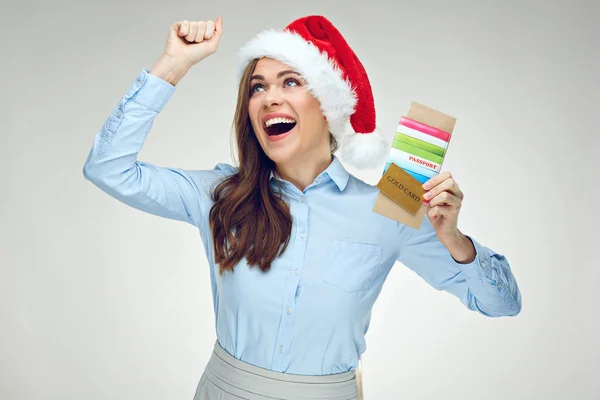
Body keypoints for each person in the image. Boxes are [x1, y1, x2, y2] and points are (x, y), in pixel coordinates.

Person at [82, 14, 522, 400]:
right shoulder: (220, 195)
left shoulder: (390, 208)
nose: (270, 98)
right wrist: (173, 65)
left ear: (328, 105)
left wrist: (453, 238)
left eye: (290, 81)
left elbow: (502, 304)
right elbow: (108, 169)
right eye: (258, 87)